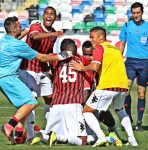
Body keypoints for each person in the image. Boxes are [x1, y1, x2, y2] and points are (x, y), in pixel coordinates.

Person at [0, 16, 72, 145]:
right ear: (15, 28)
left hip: (3, 79)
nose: (20, 27)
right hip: (9, 78)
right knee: (31, 102)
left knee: (24, 106)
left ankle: (18, 135)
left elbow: (18, 35)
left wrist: (27, 31)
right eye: (19, 25)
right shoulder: (19, 46)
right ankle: (9, 126)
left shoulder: (5, 39)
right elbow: (42, 58)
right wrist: (62, 55)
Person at [70, 26, 138, 147]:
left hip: (108, 86)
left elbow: (95, 66)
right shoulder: (116, 49)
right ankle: (132, 140)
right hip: (122, 86)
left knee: (86, 111)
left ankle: (101, 137)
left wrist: (82, 68)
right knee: (120, 111)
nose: (90, 39)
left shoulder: (99, 47)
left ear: (101, 37)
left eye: (92, 37)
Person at [30, 39, 89, 147]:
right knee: (83, 140)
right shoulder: (81, 59)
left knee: (57, 134)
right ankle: (55, 137)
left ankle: (42, 135)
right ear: (75, 48)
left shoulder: (54, 60)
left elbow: (44, 56)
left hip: (56, 104)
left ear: (61, 50)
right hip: (73, 103)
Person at [19, 6, 63, 141]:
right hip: (28, 69)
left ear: (55, 18)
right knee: (31, 100)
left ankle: (50, 131)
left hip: (43, 69)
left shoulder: (53, 34)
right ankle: (30, 135)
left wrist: (53, 69)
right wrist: (52, 34)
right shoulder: (35, 26)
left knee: (50, 99)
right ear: (43, 16)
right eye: (46, 14)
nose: (49, 16)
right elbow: (36, 37)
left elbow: (48, 52)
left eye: (52, 14)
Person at [82, 40, 123, 147]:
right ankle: (110, 137)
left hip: (92, 102)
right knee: (88, 138)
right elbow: (85, 93)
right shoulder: (84, 68)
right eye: (85, 54)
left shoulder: (100, 67)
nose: (88, 57)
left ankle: (113, 134)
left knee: (102, 110)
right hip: (81, 105)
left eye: (90, 55)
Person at [119, 2, 148, 131]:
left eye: (138, 12)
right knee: (125, 91)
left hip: (144, 62)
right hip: (130, 61)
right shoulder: (126, 25)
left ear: (142, 12)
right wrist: (119, 59)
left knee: (141, 93)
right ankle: (129, 119)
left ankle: (139, 123)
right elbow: (122, 43)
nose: (136, 15)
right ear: (131, 13)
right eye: (134, 13)